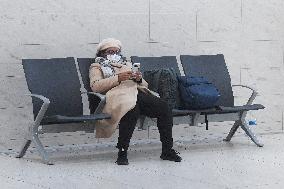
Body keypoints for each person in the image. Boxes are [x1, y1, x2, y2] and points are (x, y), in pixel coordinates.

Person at [89, 38, 182, 165]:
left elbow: (145, 85)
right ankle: (122, 152)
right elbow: (96, 86)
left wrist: (139, 79)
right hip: (118, 97)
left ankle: (167, 150)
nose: (114, 54)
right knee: (131, 109)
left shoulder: (126, 64)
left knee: (164, 107)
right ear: (102, 53)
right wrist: (118, 78)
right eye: (110, 51)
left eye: (116, 51)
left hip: (137, 93)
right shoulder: (97, 66)